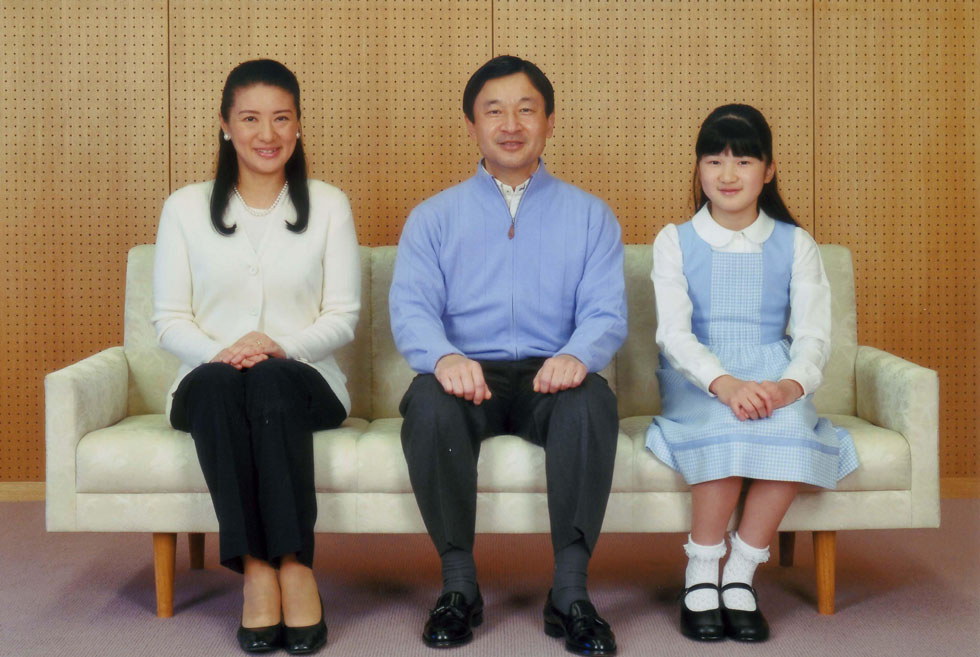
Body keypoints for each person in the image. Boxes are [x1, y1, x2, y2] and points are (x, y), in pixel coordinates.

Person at [389, 55, 626, 656]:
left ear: (549, 122)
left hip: (553, 371)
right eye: (494, 111)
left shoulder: (592, 215)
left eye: (527, 109)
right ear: (472, 126)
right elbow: (412, 309)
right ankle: (459, 588)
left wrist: (578, 355)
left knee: (592, 400)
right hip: (470, 375)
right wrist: (442, 357)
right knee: (428, 402)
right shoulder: (433, 217)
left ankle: (570, 592)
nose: (511, 123)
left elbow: (605, 312)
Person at [152, 59, 360, 655]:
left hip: (306, 381)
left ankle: (294, 564)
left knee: (269, 379)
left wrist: (277, 347)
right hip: (208, 379)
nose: (267, 135)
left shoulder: (327, 204)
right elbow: (168, 320)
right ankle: (258, 570)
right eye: (250, 119)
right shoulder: (186, 209)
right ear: (225, 126)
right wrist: (224, 353)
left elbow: (342, 316)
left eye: (281, 119)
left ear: (298, 126)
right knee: (221, 385)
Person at [646, 104, 859, 642]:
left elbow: (813, 334)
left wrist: (790, 385)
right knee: (725, 424)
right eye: (714, 160)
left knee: (785, 428)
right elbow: (674, 334)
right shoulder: (675, 240)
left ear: (768, 171)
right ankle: (700, 575)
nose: (727, 174)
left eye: (743, 161)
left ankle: (740, 575)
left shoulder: (796, 243)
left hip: (773, 371)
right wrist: (725, 384)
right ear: (698, 169)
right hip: (702, 378)